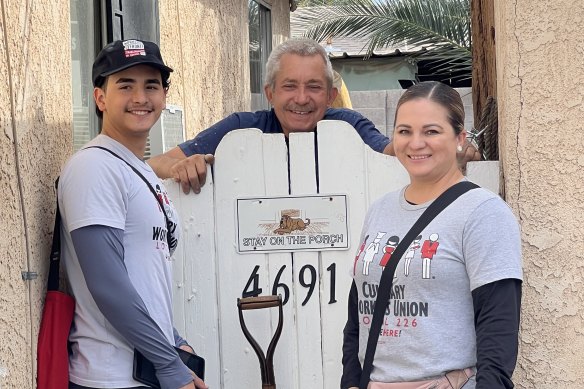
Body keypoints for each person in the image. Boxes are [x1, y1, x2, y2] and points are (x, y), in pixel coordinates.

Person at [342, 81, 522, 389]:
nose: (415, 143)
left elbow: (498, 325)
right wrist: (350, 381)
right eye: (404, 131)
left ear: (459, 139)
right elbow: (358, 313)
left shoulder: (483, 212)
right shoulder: (380, 210)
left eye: (431, 131)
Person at [58, 39, 206, 389]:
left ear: (163, 98)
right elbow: (107, 284)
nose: (140, 97)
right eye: (125, 85)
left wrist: (172, 339)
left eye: (151, 85)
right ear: (100, 98)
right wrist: (169, 363)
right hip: (110, 376)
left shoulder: (140, 171)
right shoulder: (93, 167)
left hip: (146, 368)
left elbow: (144, 275)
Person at [148, 38, 479, 194]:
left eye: (314, 87)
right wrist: (182, 164)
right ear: (270, 93)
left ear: (331, 96)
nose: (302, 98)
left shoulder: (348, 125)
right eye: (290, 85)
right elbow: (154, 164)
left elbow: (391, 153)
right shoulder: (240, 128)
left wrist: (447, 149)